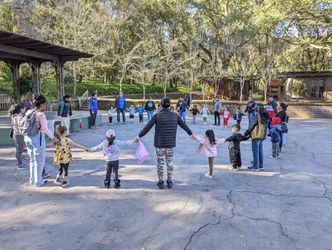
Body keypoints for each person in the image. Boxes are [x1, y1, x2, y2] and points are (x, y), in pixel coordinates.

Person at [138, 97, 194, 189]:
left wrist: (139, 136)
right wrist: (191, 134)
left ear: (161, 105)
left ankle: (160, 182)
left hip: (159, 143)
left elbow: (148, 127)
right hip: (170, 144)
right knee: (170, 163)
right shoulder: (175, 115)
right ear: (170, 105)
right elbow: (184, 125)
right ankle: (169, 181)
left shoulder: (157, 116)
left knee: (160, 162)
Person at [24, 95, 59, 187]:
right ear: (42, 104)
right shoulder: (41, 115)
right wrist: (53, 138)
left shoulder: (28, 111)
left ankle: (32, 179)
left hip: (27, 137)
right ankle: (38, 181)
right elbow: (45, 129)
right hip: (37, 137)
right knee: (39, 161)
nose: (46, 105)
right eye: (45, 104)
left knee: (32, 159)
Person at [245, 106, 269, 171]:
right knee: (260, 151)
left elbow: (251, 126)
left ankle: (256, 166)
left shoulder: (257, 117)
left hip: (256, 136)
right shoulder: (266, 117)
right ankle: (260, 165)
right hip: (262, 136)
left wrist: (246, 133)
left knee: (255, 151)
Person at [10, 103, 27, 170]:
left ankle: (20, 163)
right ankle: (19, 164)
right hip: (19, 135)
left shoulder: (15, 116)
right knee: (19, 150)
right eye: (23, 108)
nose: (25, 109)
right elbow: (21, 126)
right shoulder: (19, 117)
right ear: (21, 109)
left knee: (19, 149)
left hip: (16, 134)